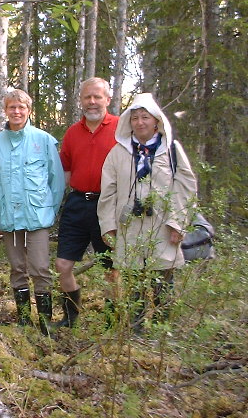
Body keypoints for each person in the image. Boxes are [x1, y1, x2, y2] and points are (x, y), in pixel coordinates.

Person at [97, 92, 197, 329]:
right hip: (129, 227)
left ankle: (162, 334)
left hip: (162, 228)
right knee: (133, 284)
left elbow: (186, 187)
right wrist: (108, 226)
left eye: (145, 117)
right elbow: (108, 192)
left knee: (163, 283)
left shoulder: (171, 150)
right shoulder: (118, 153)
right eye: (135, 118)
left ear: (156, 121)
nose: (140, 122)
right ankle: (136, 332)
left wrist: (178, 223)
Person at [0, 90, 65, 335]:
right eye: (12, 107)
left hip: (37, 219)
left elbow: (56, 180)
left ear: (29, 110)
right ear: (5, 110)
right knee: (18, 268)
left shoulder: (44, 140)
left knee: (40, 268)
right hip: (10, 220)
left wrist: (49, 211)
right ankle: (23, 319)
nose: (16, 112)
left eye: (21, 107)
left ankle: (45, 322)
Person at [55, 77, 120, 328]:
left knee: (111, 269)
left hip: (108, 206)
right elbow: (67, 171)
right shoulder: (72, 132)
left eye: (97, 97)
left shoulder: (121, 128)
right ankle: (70, 317)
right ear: (81, 100)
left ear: (107, 99)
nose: (92, 102)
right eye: (87, 97)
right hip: (77, 204)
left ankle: (112, 323)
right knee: (62, 264)